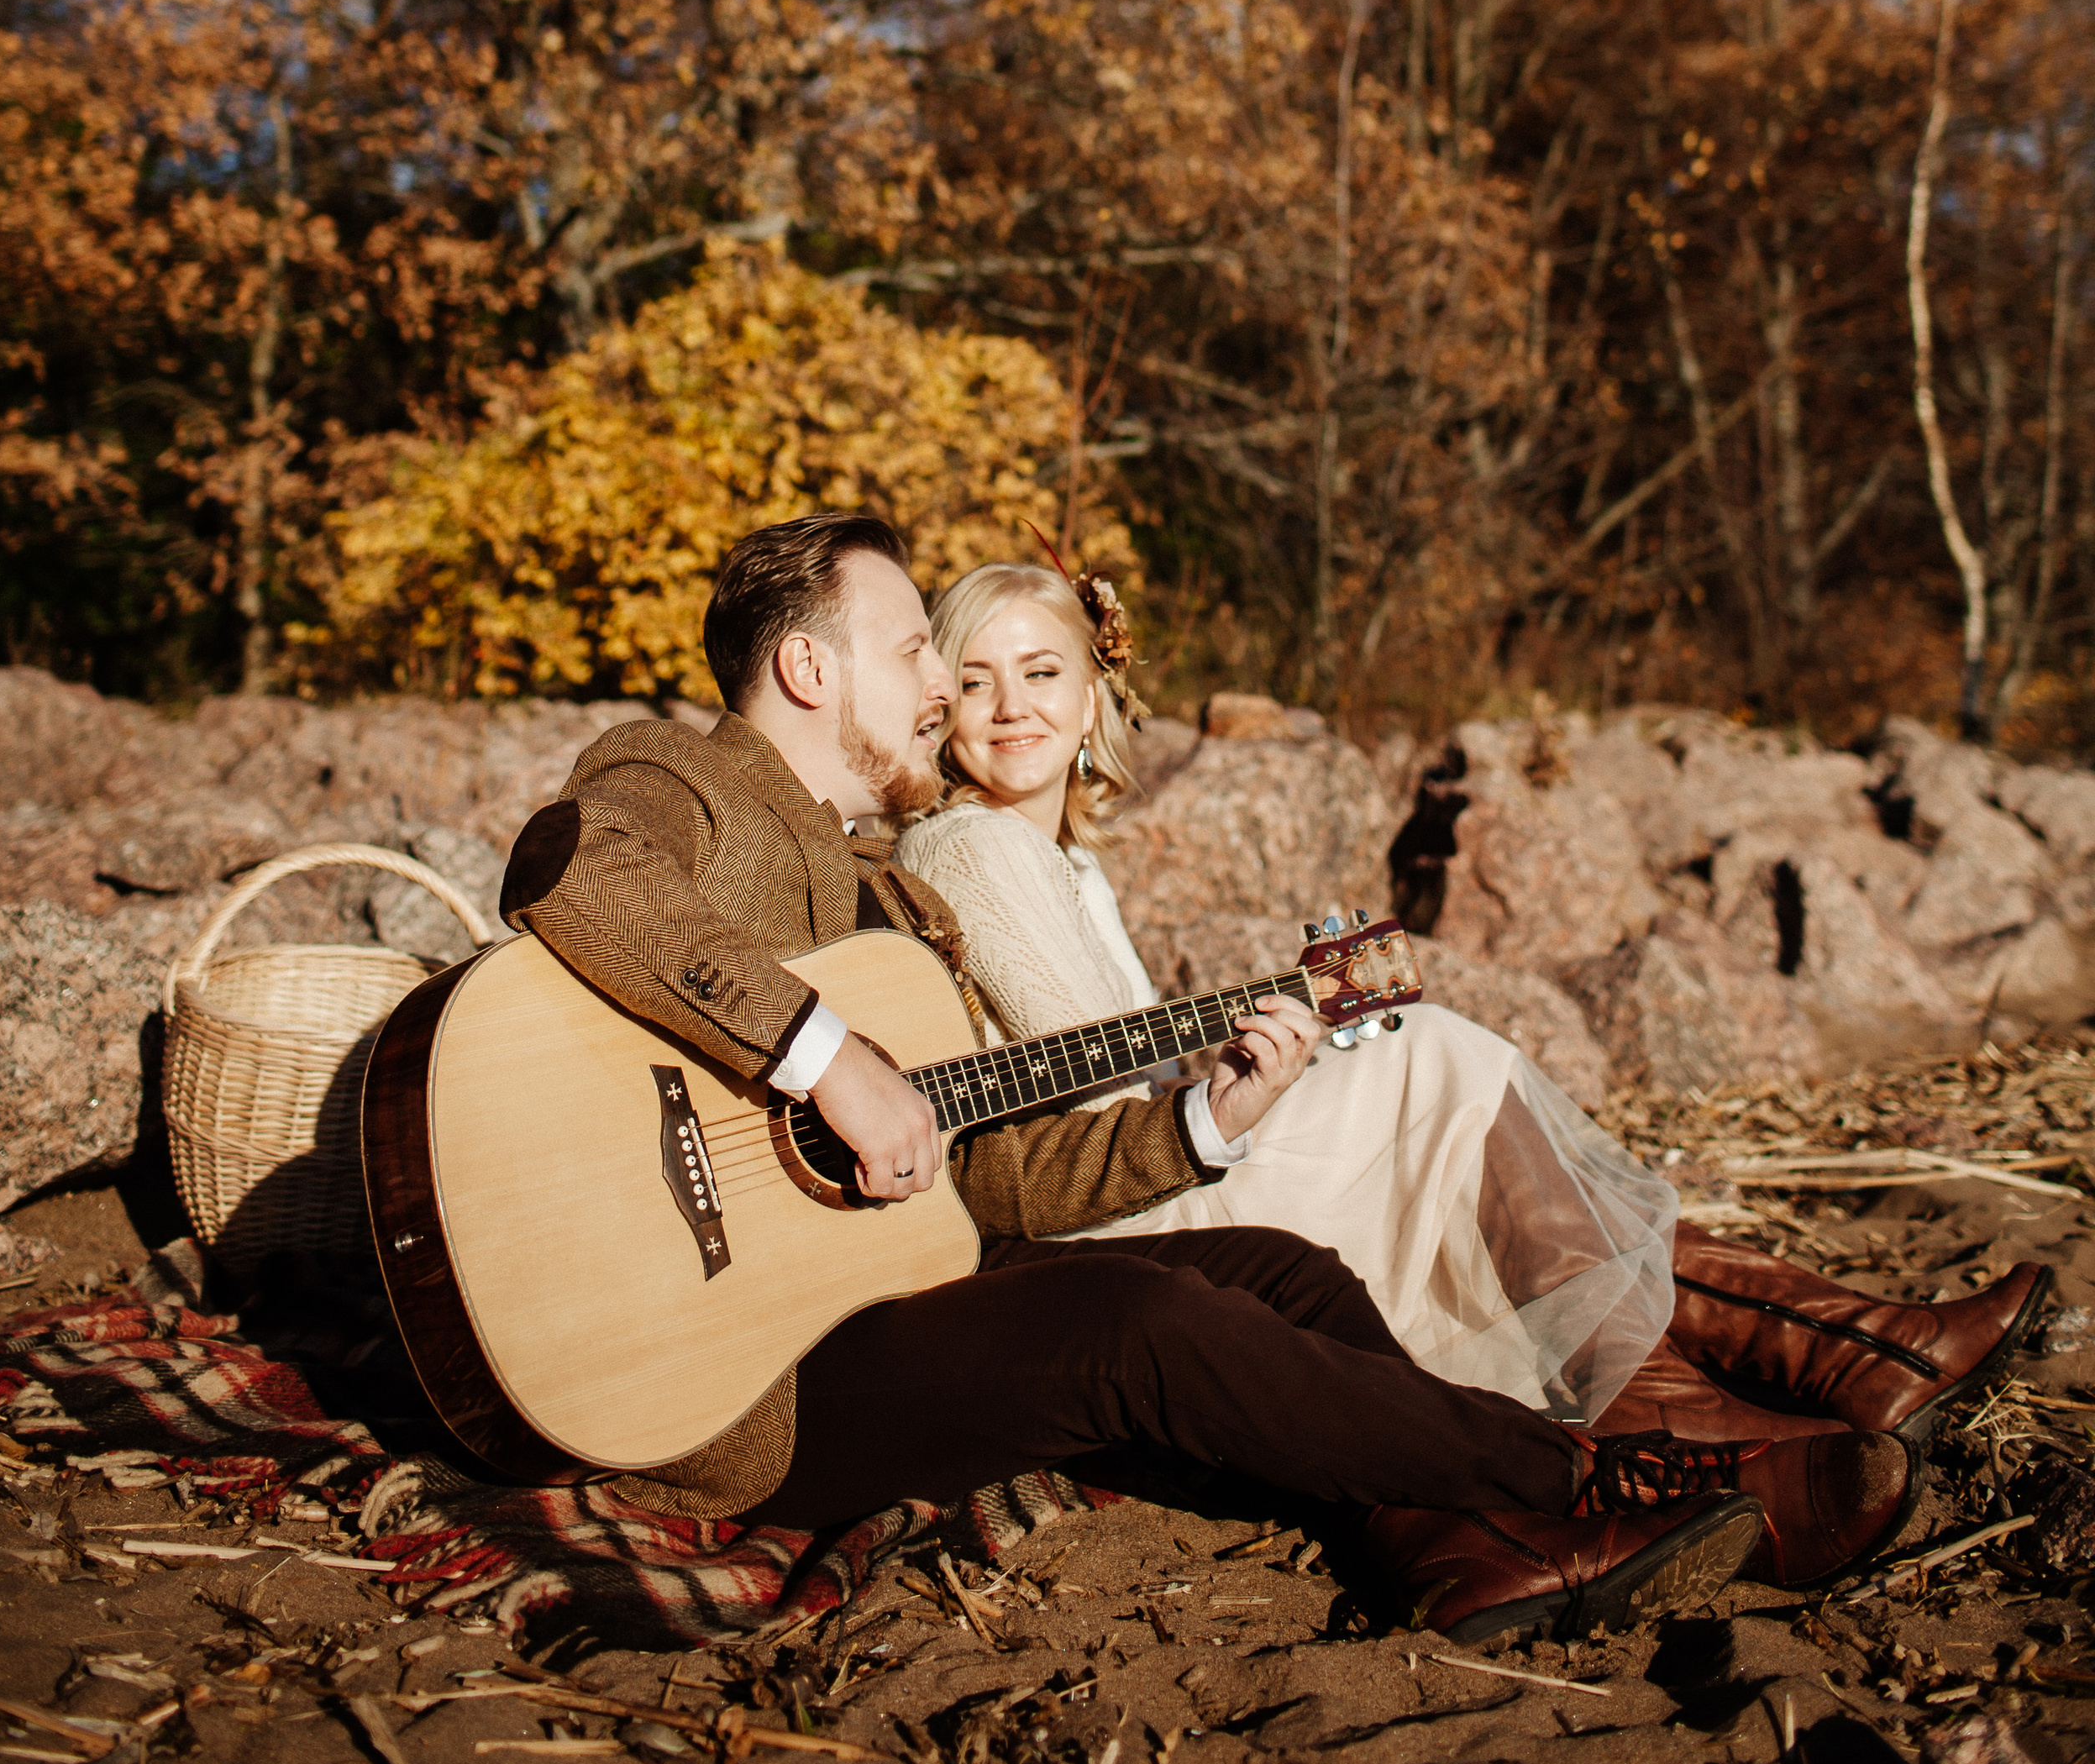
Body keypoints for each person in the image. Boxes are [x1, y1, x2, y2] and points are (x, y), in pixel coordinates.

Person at [500, 512, 1912, 1642]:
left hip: (886, 1291)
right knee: (1139, 1322)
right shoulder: (685, 787)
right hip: (743, 1380)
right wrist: (827, 1063)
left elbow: (987, 1164)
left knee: (1277, 1274)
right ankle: (1593, 1479)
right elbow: (576, 870)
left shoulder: (892, 909)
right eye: (912, 650)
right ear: (809, 669)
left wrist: (1199, 1122)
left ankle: (1463, 1552)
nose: (942, 685)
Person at [898, 559, 2048, 1484]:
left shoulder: (1062, 860)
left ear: (1091, 696)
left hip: (1143, 1163)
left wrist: (1259, 1065)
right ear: (942, 708)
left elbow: (1122, 1071)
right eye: (981, 680)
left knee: (1477, 1133)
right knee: (1442, 1067)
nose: (1013, 708)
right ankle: (1764, 1393)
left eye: (1042, 672)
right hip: (1102, 1214)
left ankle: (1806, 1376)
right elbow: (1103, 1090)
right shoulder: (973, 845)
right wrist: (1255, 1082)